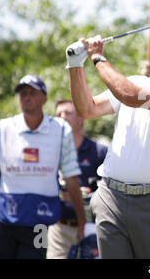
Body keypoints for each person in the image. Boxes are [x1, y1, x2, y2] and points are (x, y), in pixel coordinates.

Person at [65, 29, 150, 258]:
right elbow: (87, 109)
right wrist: (75, 66)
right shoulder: (136, 81)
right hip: (111, 197)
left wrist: (97, 57)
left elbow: (130, 96)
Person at [0, 75, 86, 259]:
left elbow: (71, 177)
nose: (27, 97)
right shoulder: (3, 128)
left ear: (44, 99)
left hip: (40, 219)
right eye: (23, 94)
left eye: (32, 93)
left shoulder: (61, 130)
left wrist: (82, 220)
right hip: (2, 213)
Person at [46, 99, 108, 259]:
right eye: (58, 114)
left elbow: (112, 192)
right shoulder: (48, 151)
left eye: (68, 113)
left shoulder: (99, 152)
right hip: (59, 228)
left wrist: (88, 195)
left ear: (81, 119)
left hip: (91, 227)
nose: (62, 117)